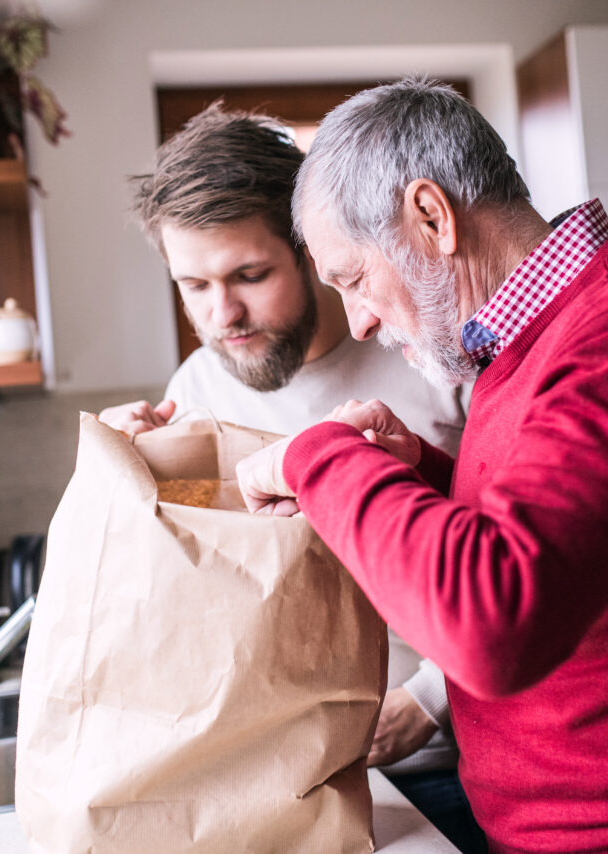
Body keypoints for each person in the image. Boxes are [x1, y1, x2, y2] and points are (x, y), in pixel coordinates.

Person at [236, 79, 608, 854]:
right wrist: (419, 472)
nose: (356, 318)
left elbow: (496, 625)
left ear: (431, 216)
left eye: (354, 279)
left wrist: (316, 457)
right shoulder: (532, 334)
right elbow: (560, 540)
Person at [97, 103, 487, 853]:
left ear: (312, 248)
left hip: (454, 768)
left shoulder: (432, 354)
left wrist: (429, 703)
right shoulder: (197, 388)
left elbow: (526, 559)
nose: (223, 315)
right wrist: (126, 478)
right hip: (289, 783)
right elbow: (183, 600)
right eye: (194, 286)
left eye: (250, 274)